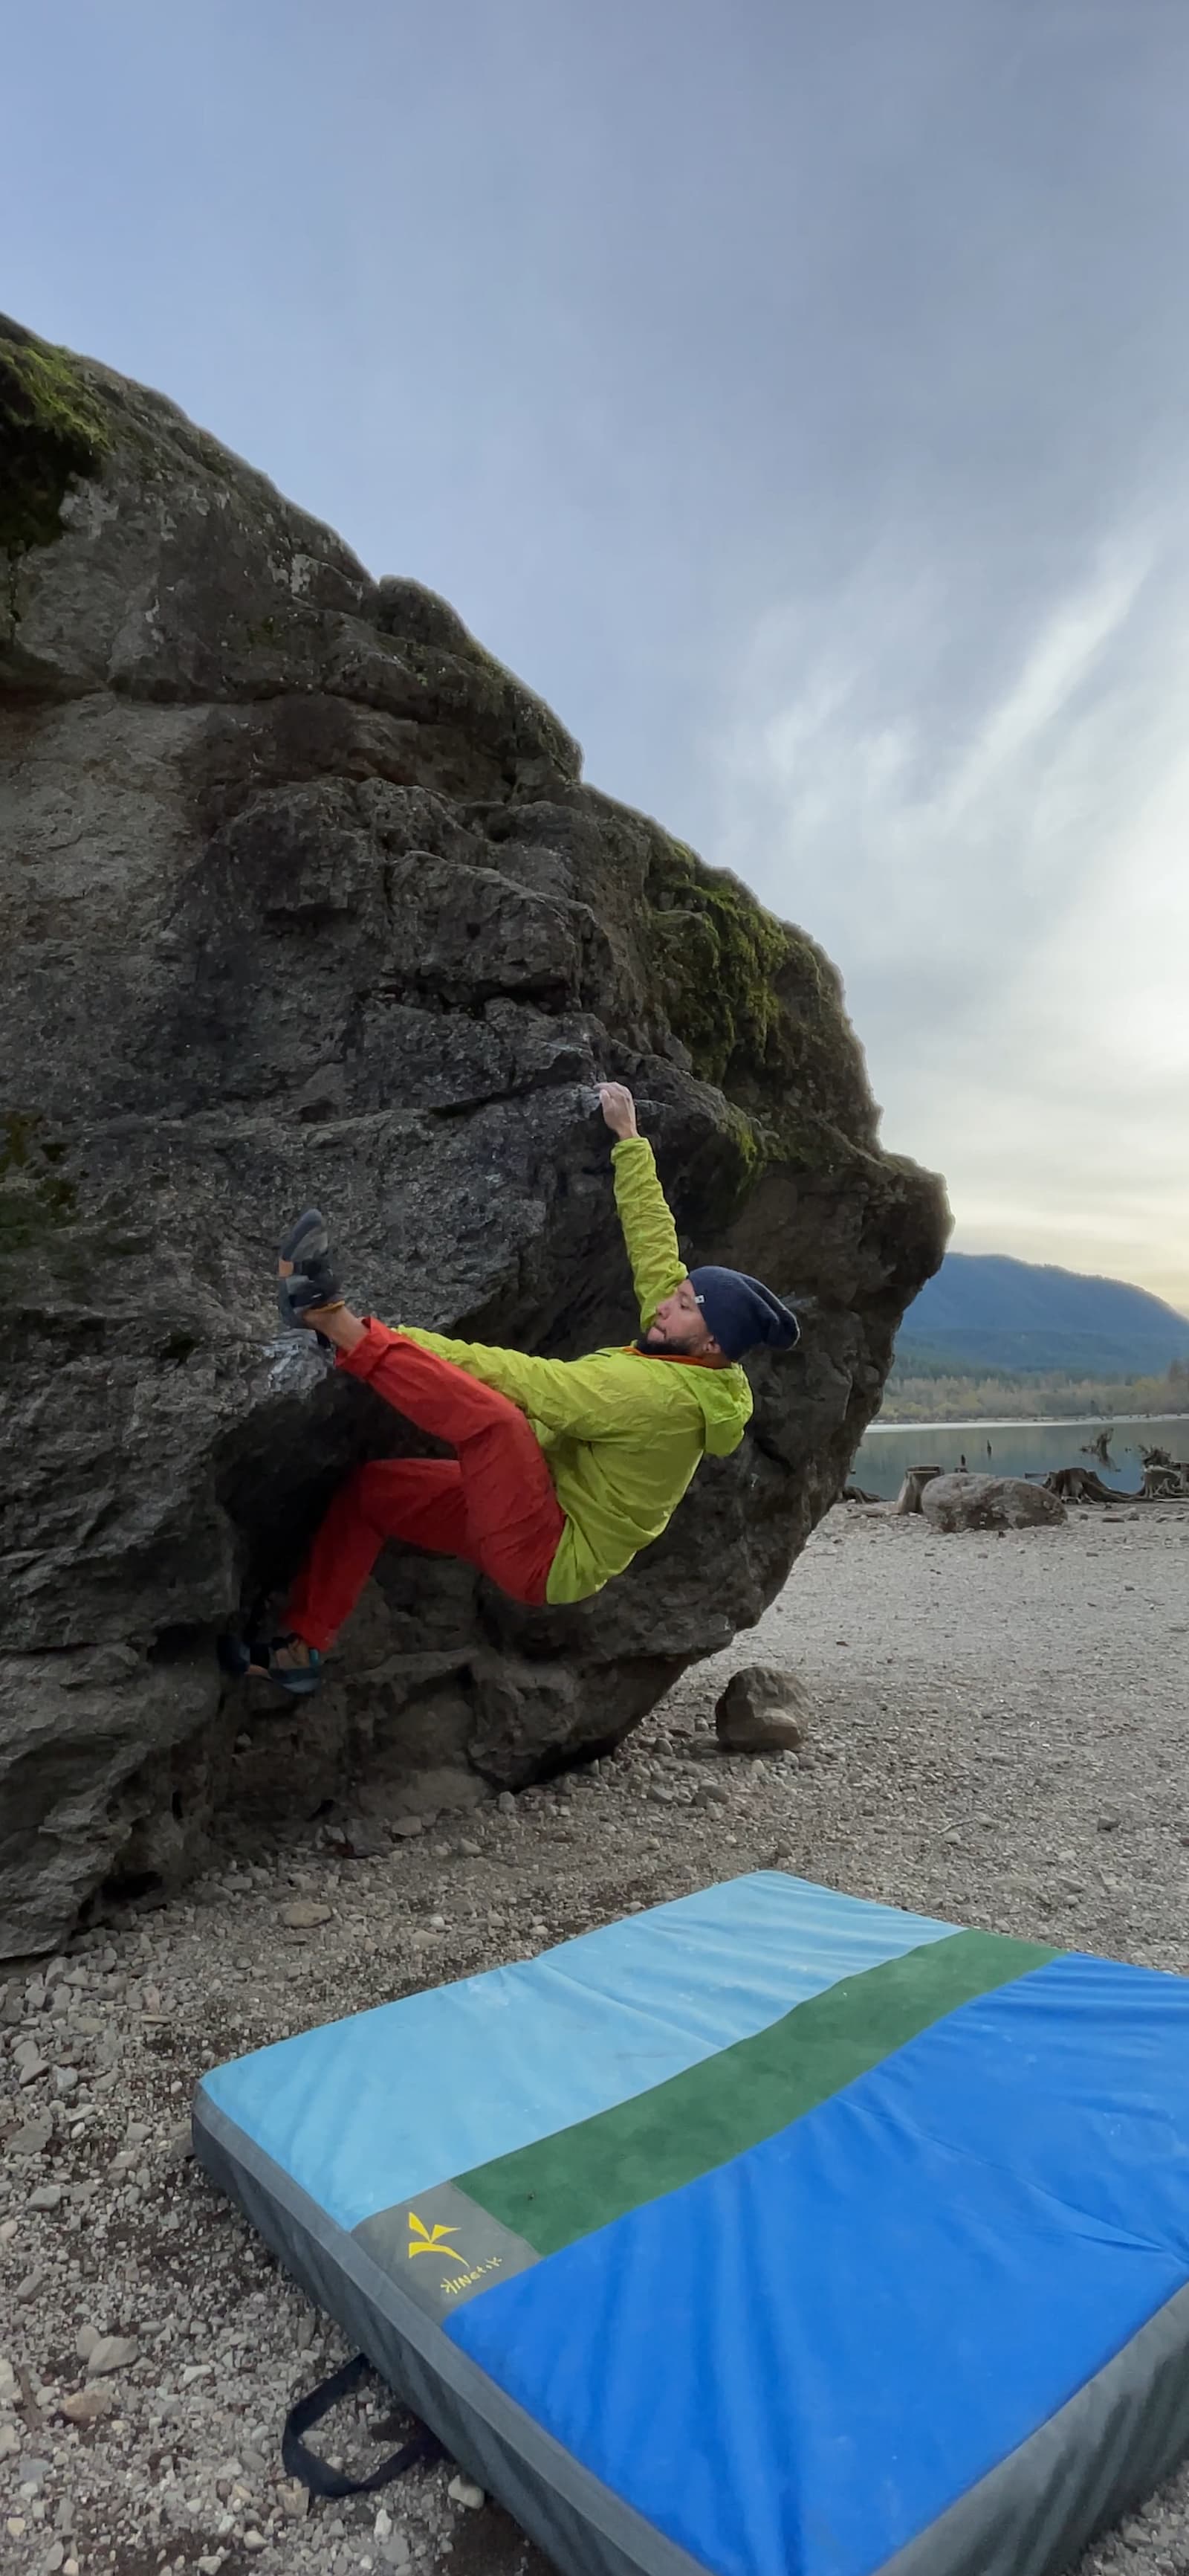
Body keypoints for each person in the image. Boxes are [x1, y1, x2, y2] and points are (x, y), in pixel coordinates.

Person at [226, 1083, 799, 1695]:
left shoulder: (660, 1396)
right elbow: (657, 1253)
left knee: (498, 1423)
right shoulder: (694, 1348)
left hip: (546, 1550)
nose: (665, 1304)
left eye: (684, 1305)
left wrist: (383, 1336)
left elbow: (528, 1383)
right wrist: (631, 1142)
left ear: (710, 1343)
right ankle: (300, 1649)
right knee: (374, 1493)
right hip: (531, 1502)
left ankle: (334, 1323)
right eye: (678, 1295)